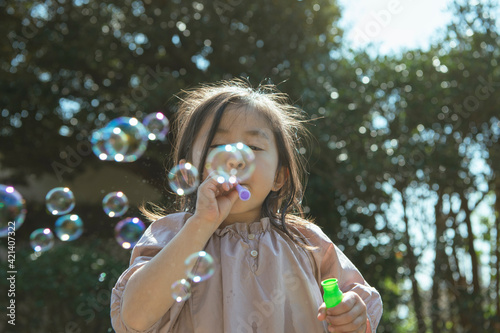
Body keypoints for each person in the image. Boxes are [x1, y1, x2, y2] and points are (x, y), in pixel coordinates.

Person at [110, 80, 383, 333]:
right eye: (218, 145)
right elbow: (134, 317)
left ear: (279, 176)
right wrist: (201, 223)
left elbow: (354, 300)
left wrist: (352, 312)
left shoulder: (307, 242)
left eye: (253, 147)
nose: (236, 159)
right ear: (189, 171)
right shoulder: (171, 235)